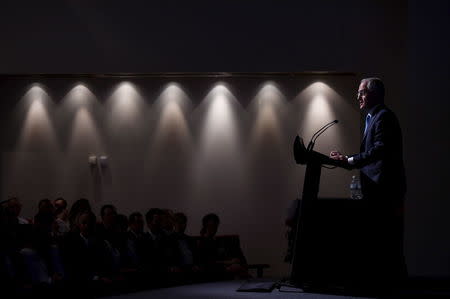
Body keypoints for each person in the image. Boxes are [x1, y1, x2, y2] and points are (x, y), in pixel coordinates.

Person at [329, 77, 407, 288]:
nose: (358, 96)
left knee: (387, 240)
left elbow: (379, 151)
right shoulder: (372, 117)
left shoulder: (383, 117)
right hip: (376, 189)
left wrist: (350, 160)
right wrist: (347, 160)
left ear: (375, 94)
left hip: (385, 191)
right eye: (358, 93)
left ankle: (391, 287)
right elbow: (371, 154)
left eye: (362, 92)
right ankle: (383, 284)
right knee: (380, 239)